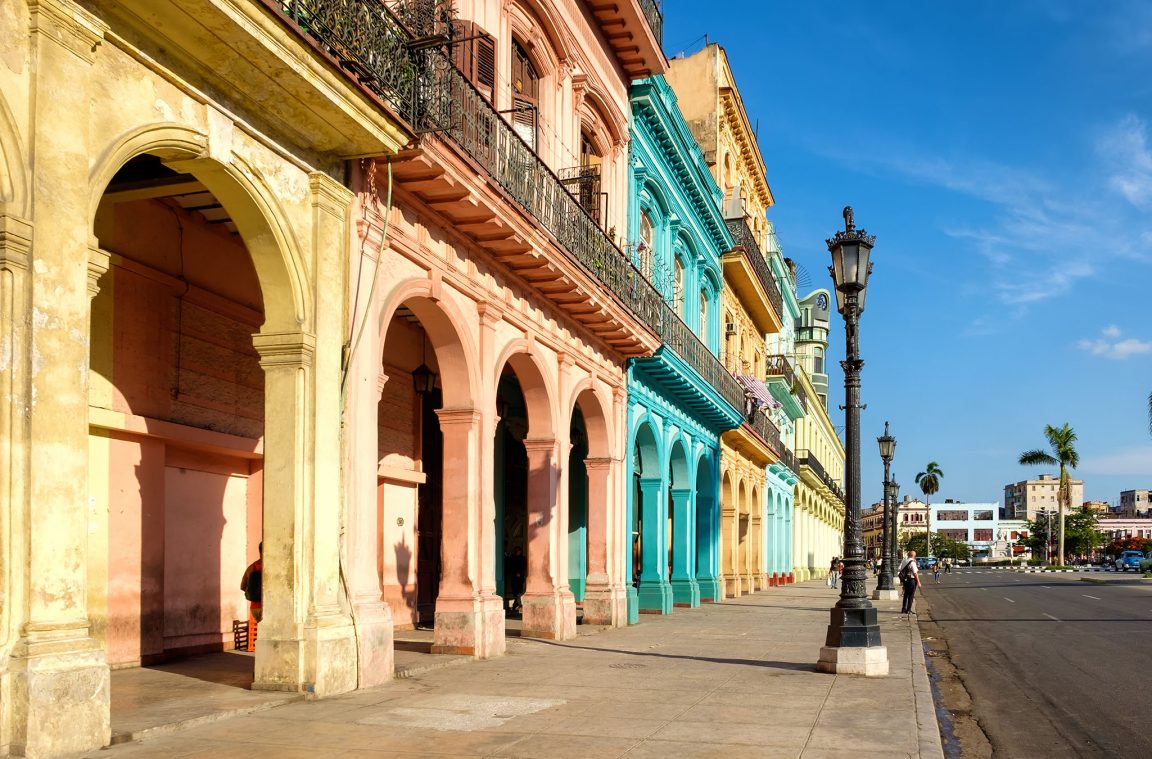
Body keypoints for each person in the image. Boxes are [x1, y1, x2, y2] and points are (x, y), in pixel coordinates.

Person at [241, 542, 263, 623]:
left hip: (254, 608)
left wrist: (254, 593)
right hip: (267, 607)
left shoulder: (251, 568)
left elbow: (242, 587)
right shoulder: (269, 566)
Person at [898, 550, 922, 615]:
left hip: (905, 580)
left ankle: (903, 609)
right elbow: (915, 573)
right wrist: (919, 582)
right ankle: (908, 610)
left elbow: (899, 568)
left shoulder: (904, 561)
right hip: (911, 580)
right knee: (911, 595)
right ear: (913, 556)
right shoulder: (912, 562)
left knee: (906, 594)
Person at [507, 545, 527, 613]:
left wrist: (520, 573)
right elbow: (510, 567)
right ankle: (517, 605)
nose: (518, 552)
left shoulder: (523, 558)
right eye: (517, 551)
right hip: (514, 577)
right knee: (515, 592)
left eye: (519, 551)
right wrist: (515, 573)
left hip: (520, 577)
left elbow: (524, 567)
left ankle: (518, 605)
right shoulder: (513, 559)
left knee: (520, 592)